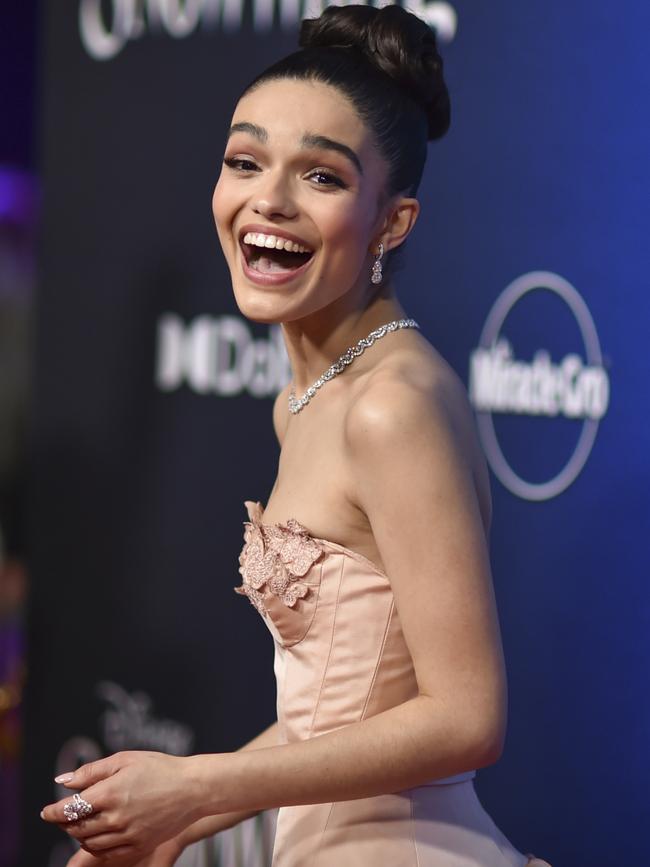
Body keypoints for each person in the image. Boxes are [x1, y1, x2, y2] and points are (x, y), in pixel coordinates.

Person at [42, 6, 551, 865]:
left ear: (393, 222)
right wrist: (177, 816)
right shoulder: (308, 397)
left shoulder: (393, 406)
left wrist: (199, 787)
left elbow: (468, 717)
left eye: (322, 177)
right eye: (245, 161)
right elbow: (336, 715)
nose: (266, 201)